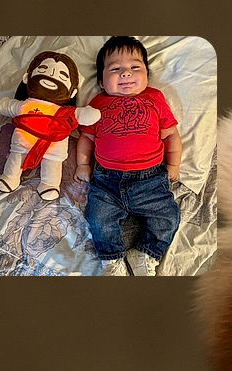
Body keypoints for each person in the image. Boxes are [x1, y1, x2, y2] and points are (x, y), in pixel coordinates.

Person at [75, 36, 182, 276]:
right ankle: (111, 259)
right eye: (115, 69)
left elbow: (171, 136)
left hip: (151, 178)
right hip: (106, 181)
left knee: (168, 217)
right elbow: (86, 139)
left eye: (135, 67)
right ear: (102, 81)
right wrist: (83, 164)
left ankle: (145, 253)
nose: (126, 73)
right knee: (98, 219)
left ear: (146, 74)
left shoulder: (154, 98)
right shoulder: (97, 103)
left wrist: (173, 164)